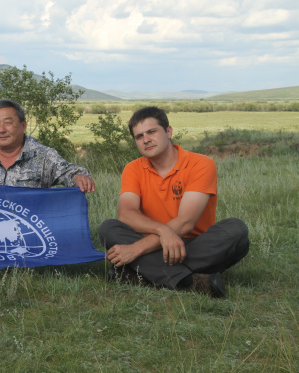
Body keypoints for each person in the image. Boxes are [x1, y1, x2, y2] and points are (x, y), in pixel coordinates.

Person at [98, 106, 249, 297]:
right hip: (152, 241)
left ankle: (141, 274)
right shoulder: (133, 169)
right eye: (139, 136)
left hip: (192, 244)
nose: (146, 139)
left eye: (152, 131)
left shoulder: (200, 164)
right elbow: (126, 214)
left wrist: (135, 249)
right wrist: (162, 231)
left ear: (168, 132)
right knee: (108, 228)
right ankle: (189, 281)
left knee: (236, 230)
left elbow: (186, 222)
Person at [0, 99, 95, 192]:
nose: (1, 130)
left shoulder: (44, 156)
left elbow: (71, 172)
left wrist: (79, 177)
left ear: (23, 126)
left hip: (28, 233)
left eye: (8, 123)